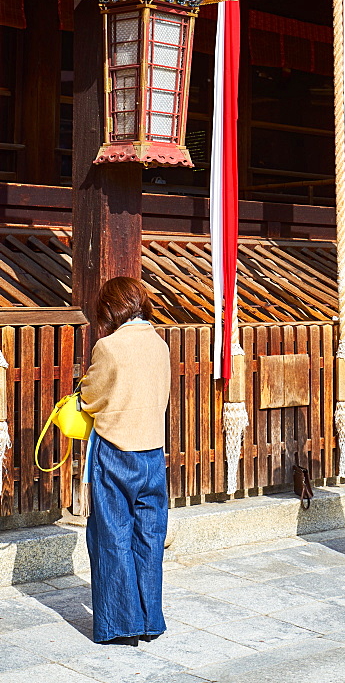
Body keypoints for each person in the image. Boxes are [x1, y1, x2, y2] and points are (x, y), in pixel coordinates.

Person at [80, 277, 171, 646]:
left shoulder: (109, 346)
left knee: (111, 536)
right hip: (152, 453)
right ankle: (150, 620)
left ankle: (121, 623)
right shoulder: (159, 343)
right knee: (149, 538)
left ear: (110, 309)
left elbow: (92, 396)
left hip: (116, 450)